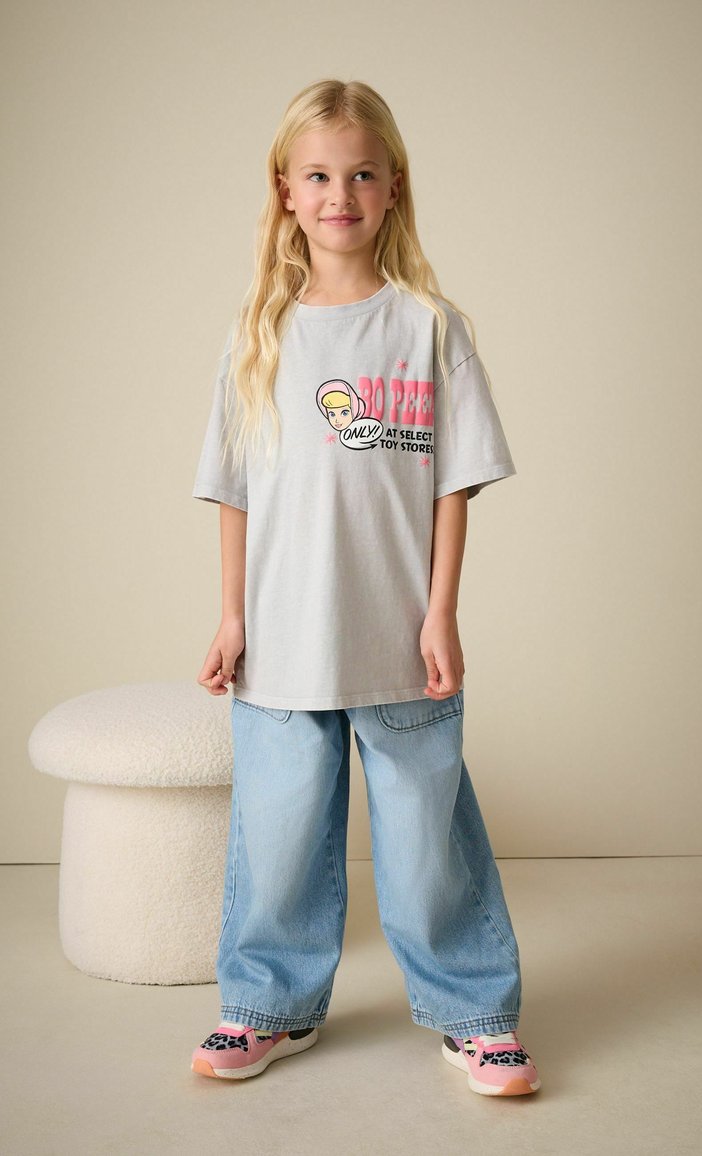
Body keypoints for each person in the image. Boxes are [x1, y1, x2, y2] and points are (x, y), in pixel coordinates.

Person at [188, 78, 541, 1098]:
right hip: (282, 638)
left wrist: (441, 612)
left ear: (392, 187)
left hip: (398, 637)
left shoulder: (429, 326)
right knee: (279, 835)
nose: (338, 194)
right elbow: (234, 493)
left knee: (428, 841)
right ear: (285, 191)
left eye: (360, 174)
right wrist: (231, 614)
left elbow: (453, 487)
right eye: (317, 175)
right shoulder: (258, 332)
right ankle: (267, 1005)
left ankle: (474, 1015)